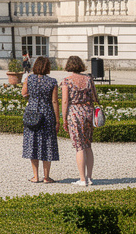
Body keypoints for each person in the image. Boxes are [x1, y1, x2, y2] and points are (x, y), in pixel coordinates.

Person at [61, 55, 100, 186]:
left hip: (75, 113)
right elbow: (95, 97)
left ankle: (82, 179)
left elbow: (65, 101)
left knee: (79, 146)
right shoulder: (89, 79)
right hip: (88, 111)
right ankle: (89, 177)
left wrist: (64, 118)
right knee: (88, 145)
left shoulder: (67, 81)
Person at [21, 56, 61, 183]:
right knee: (47, 144)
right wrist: (57, 119)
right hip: (47, 113)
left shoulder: (29, 79)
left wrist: (32, 96)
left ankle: (35, 176)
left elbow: (23, 93)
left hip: (32, 112)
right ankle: (46, 176)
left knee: (33, 143)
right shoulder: (52, 81)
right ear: (48, 67)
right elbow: (54, 101)